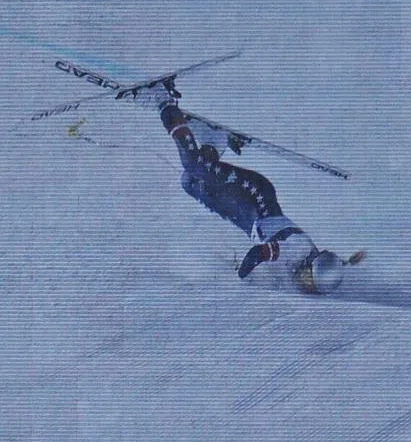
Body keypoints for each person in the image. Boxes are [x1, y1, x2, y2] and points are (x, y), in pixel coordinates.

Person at [134, 80, 349, 294]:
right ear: (310, 266)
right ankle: (162, 99)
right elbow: (257, 254)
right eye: (309, 280)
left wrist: (345, 263)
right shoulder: (295, 251)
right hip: (253, 193)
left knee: (190, 182)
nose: (305, 285)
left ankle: (214, 141)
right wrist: (241, 282)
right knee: (193, 165)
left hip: (246, 214)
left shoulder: (310, 260)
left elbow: (331, 263)